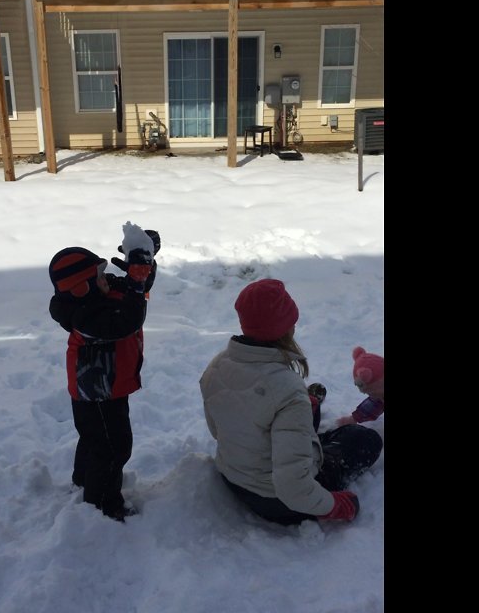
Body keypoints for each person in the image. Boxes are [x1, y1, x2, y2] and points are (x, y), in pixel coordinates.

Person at [199, 279, 383, 526]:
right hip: (281, 502)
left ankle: (310, 408)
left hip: (234, 479)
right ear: (285, 328)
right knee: (364, 439)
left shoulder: (217, 366)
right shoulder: (286, 388)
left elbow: (218, 431)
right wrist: (333, 506)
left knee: (297, 413)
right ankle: (310, 413)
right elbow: (293, 487)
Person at [48, 223, 159, 522]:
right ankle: (102, 505)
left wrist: (146, 262)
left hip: (106, 389)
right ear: (81, 287)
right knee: (113, 446)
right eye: (98, 276)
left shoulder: (97, 294)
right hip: (99, 394)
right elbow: (127, 321)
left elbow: (137, 290)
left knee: (94, 440)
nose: (107, 279)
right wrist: (135, 281)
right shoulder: (84, 316)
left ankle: (85, 479)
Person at [334, 347, 384, 427]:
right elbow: (373, 405)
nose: (370, 395)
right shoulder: (380, 394)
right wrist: (354, 418)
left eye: (372, 393)